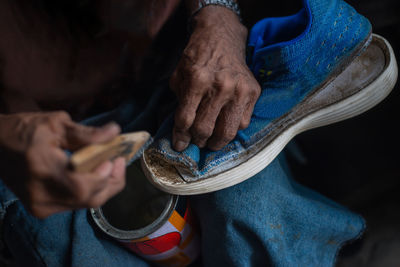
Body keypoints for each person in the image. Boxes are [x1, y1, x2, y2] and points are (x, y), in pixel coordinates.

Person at [0, 0, 368, 266]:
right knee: (55, 232)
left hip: (171, 73)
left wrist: (217, 17)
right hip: (30, 134)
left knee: (250, 203)